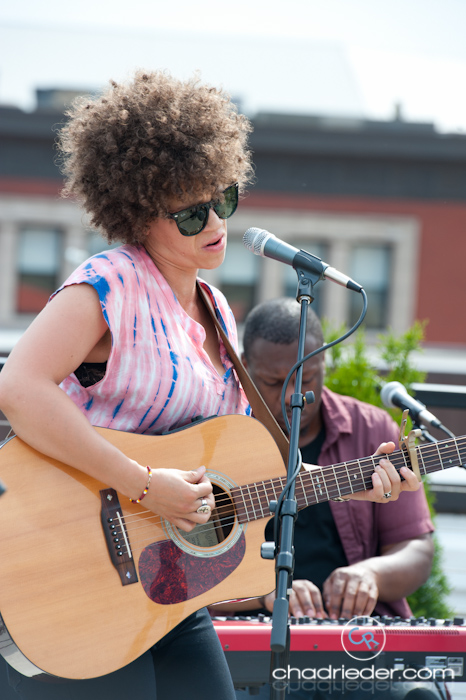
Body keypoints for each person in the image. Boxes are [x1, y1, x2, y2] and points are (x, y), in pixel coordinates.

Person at [0, 72, 421, 700]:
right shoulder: (108, 284)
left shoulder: (218, 311)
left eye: (221, 200)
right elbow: (19, 389)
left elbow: (229, 470)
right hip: (80, 572)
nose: (215, 223)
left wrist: (366, 483)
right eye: (191, 213)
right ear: (138, 211)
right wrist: (145, 486)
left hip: (172, 587)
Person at [211, 298, 436, 700]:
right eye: (273, 381)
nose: (294, 395)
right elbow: (186, 568)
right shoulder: (216, 436)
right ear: (244, 367)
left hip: (355, 640)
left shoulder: (371, 429)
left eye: (308, 378)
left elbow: (415, 549)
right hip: (250, 638)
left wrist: (370, 575)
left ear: (324, 365)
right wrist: (267, 594)